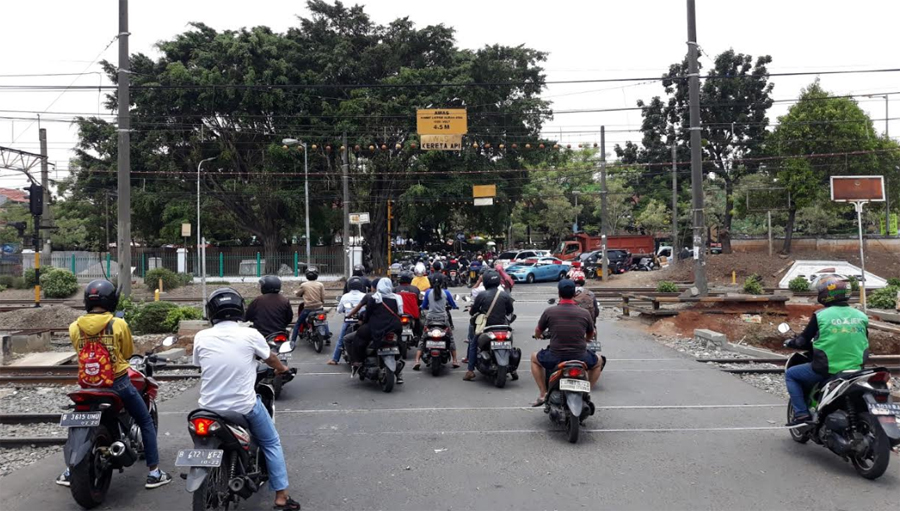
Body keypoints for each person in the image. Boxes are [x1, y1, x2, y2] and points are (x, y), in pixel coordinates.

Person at [56, 280, 172, 489]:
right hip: (117, 383)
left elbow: (78, 351)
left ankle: (69, 470)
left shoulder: (75, 327)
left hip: (87, 386)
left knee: (77, 421)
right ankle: (154, 472)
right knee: (145, 421)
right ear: (111, 301)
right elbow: (127, 353)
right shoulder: (118, 324)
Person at [193, 288, 300, 510]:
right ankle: (281, 496)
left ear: (211, 311)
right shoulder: (250, 335)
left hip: (207, 408)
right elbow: (270, 358)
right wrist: (282, 368)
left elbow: (199, 363)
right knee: (271, 442)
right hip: (243, 407)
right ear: (240, 309)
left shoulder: (201, 336)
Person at [784, 276, 869, 427]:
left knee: (791, 374)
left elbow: (803, 341)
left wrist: (790, 342)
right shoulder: (861, 316)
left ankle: (801, 415)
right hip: (856, 369)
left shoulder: (821, 315)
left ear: (826, 294)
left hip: (827, 369)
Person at [530, 279, 601, 407]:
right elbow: (591, 333)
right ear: (574, 294)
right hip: (580, 356)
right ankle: (587, 391)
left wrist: (538, 336)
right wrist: (586, 340)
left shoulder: (549, 311)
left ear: (559, 293)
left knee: (534, 358)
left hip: (555, 356)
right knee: (599, 361)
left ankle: (543, 393)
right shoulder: (584, 313)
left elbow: (538, 330)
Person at [344, 278, 406, 384]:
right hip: (394, 327)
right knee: (399, 341)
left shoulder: (375, 298)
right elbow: (400, 312)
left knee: (358, 337)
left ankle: (357, 362)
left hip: (377, 327)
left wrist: (363, 322)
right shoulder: (397, 298)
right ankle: (399, 369)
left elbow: (367, 314)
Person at [463, 269, 514, 381]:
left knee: (473, 343)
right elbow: (510, 310)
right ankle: (513, 370)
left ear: (485, 282)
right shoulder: (504, 295)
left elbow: (473, 312)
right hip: (502, 327)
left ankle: (470, 371)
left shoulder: (482, 295)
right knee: (509, 345)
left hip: (486, 328)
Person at [413, 274, 460, 370]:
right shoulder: (446, 292)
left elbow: (424, 305)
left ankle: (417, 361)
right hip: (443, 319)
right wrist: (455, 307)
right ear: (442, 283)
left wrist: (421, 307)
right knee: (450, 338)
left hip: (430, 319)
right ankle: (455, 360)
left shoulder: (428, 292)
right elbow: (453, 304)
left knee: (423, 338)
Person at [328, 276, 367, 365]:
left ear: (349, 286)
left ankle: (335, 359)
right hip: (361, 321)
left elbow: (339, 310)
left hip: (349, 321)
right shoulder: (364, 295)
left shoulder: (345, 296)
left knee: (341, 339)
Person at [291, 266, 330, 345]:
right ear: (317, 275)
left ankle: (292, 341)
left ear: (306, 275)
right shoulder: (320, 285)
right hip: (319, 307)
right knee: (324, 322)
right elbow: (323, 296)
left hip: (308, 309)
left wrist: (295, 292)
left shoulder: (304, 285)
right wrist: (322, 303)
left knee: (298, 323)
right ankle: (328, 339)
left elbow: (298, 294)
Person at [394, 270, 423, 340]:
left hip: (398, 314)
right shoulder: (415, 289)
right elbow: (420, 302)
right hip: (413, 314)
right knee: (419, 324)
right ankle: (418, 336)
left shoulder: (395, 289)